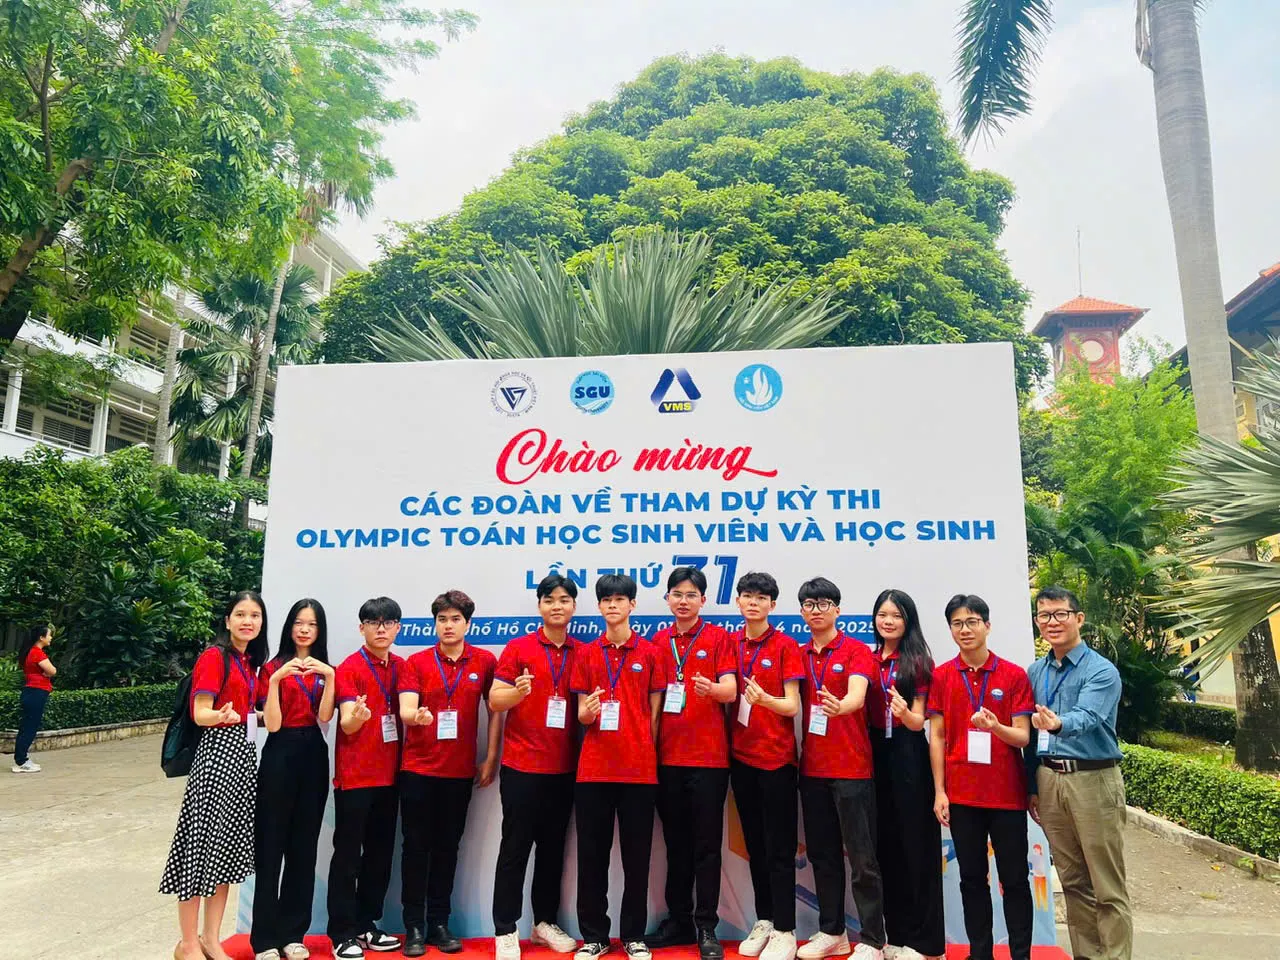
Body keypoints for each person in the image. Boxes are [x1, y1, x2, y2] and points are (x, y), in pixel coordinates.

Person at [161, 591, 269, 960]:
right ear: (227, 620)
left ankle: (211, 938)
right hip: (215, 764)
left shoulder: (249, 662)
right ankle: (188, 943)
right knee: (199, 853)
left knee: (224, 856)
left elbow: (255, 713)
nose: (247, 621)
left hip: (241, 763)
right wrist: (219, 716)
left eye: (254, 615)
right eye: (240, 614)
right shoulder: (214, 657)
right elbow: (200, 712)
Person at [927, 594, 1033, 960]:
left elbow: (1023, 736)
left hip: (1006, 796)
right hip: (962, 796)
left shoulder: (1013, 675)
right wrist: (939, 791)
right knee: (971, 880)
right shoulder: (942, 675)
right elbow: (937, 736)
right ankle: (980, 953)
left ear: (987, 626)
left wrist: (995, 727)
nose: (965, 629)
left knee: (1015, 879)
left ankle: (1021, 954)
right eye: (957, 623)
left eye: (972, 622)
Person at [1027, 586, 1131, 960]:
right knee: (1072, 882)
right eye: (1044, 615)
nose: (1052, 622)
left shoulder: (1100, 670)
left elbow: (1088, 716)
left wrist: (1057, 724)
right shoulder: (1035, 671)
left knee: (1106, 884)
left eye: (1061, 614)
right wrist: (1031, 785)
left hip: (1093, 779)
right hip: (1049, 780)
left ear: (1079, 619)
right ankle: (1087, 955)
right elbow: (1029, 736)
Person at [396, 590, 500, 957]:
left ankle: (439, 922)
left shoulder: (484, 661)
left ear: (468, 624)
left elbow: (496, 708)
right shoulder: (417, 662)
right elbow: (406, 708)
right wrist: (416, 716)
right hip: (418, 770)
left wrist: (490, 758)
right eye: (442, 620)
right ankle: (413, 926)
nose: (448, 626)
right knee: (415, 849)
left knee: (447, 849)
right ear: (435, 624)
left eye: (455, 619)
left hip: (458, 773)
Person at [569, 574, 665, 960]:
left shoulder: (651, 652)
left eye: (620, 599)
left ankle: (633, 935)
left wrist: (643, 750)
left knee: (637, 858)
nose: (613, 605)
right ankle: (594, 936)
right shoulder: (586, 654)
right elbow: (581, 715)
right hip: (593, 770)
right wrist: (589, 712)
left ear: (632, 605)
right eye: (606, 600)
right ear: (599, 607)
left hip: (638, 771)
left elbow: (655, 714)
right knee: (592, 857)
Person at [489, 574, 582, 960]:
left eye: (563, 600)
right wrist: (518, 692)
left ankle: (544, 922)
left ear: (573, 606)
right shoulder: (519, 648)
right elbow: (495, 700)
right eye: (549, 600)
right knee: (515, 848)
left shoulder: (583, 652)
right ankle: (505, 929)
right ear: (540, 605)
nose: (556, 606)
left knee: (552, 850)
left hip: (565, 769)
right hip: (522, 766)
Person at [647, 567, 736, 960]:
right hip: (666, 759)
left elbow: (731, 690)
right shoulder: (657, 642)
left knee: (707, 846)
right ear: (667, 599)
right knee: (675, 845)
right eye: (677, 594)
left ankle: (706, 926)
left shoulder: (719, 638)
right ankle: (678, 920)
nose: (683, 601)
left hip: (709, 760)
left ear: (703, 600)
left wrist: (712, 689)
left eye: (691, 595)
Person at [794, 578, 885, 960]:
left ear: (837, 609)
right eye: (809, 604)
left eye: (823, 603)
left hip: (852, 770)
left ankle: (873, 940)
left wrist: (841, 705)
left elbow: (857, 695)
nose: (816, 610)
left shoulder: (856, 651)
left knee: (862, 860)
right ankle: (833, 932)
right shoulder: (798, 653)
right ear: (802, 611)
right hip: (812, 769)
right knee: (823, 856)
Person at [251, 599, 337, 960]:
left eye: (312, 624)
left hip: (313, 753)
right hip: (279, 753)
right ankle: (263, 939)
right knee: (270, 847)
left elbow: (325, 717)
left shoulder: (324, 670)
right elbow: (271, 724)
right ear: (289, 626)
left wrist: (330, 677)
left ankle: (292, 933)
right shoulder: (271, 669)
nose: (304, 629)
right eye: (299, 622)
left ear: (319, 631)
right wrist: (276, 680)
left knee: (303, 848)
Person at [728, 572, 804, 960]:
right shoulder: (731, 644)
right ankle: (765, 919)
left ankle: (786, 929)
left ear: (772, 604)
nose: (753, 602)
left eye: (761, 597)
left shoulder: (786, 646)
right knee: (755, 846)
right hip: (741, 759)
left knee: (779, 849)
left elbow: (792, 706)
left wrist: (764, 700)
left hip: (777, 760)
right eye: (747, 596)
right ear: (738, 601)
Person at [327, 598, 407, 960]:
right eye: (373, 622)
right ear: (361, 628)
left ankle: (366, 924)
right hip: (356, 778)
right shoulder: (349, 668)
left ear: (398, 628)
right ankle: (342, 932)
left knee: (379, 855)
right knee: (348, 857)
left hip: (391, 777)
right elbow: (346, 723)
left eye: (388, 622)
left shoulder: (402, 667)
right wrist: (356, 717)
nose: (381, 629)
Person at [865, 590, 944, 960]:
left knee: (916, 848)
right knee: (886, 849)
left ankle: (926, 943)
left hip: (909, 755)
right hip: (873, 753)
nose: (888, 621)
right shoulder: (867, 659)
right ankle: (895, 936)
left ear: (908, 620)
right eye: (883, 614)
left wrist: (902, 712)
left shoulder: (918, 662)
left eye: (896, 615)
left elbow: (918, 721)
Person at [13, 623, 55, 773]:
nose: (51, 638)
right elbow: (52, 670)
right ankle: (21, 761)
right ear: (41, 637)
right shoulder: (37, 653)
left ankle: (21, 759)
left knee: (27, 726)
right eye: (49, 635)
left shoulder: (30, 652)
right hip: (36, 692)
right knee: (29, 727)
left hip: (32, 692)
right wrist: (47, 673)